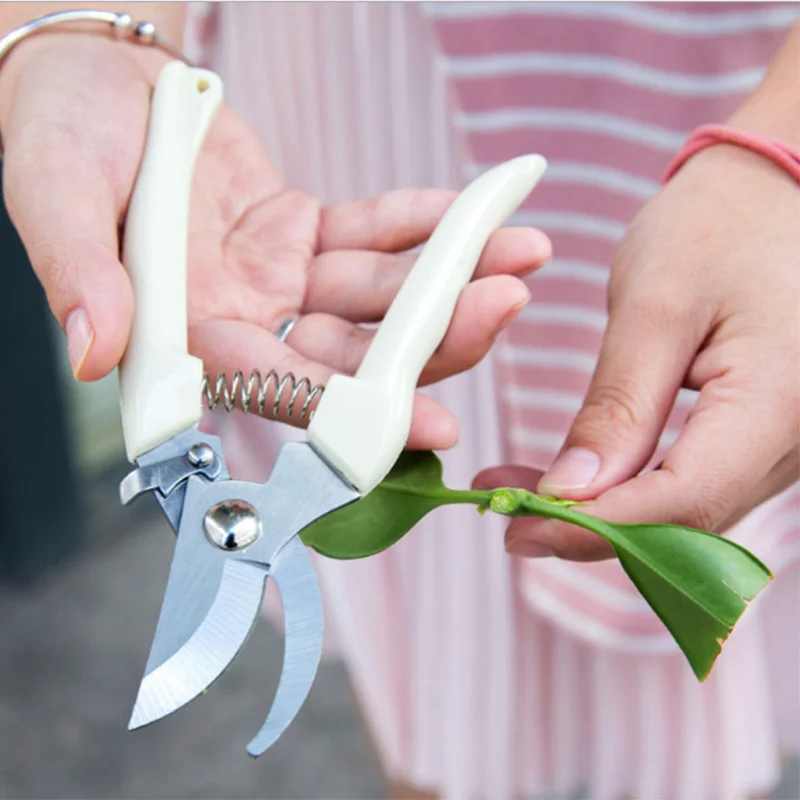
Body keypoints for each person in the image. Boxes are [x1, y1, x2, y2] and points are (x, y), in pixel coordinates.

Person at [0, 3, 797, 798]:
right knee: (426, 680)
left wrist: (782, 147)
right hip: (339, 77)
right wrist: (78, 27)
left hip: (711, 133)